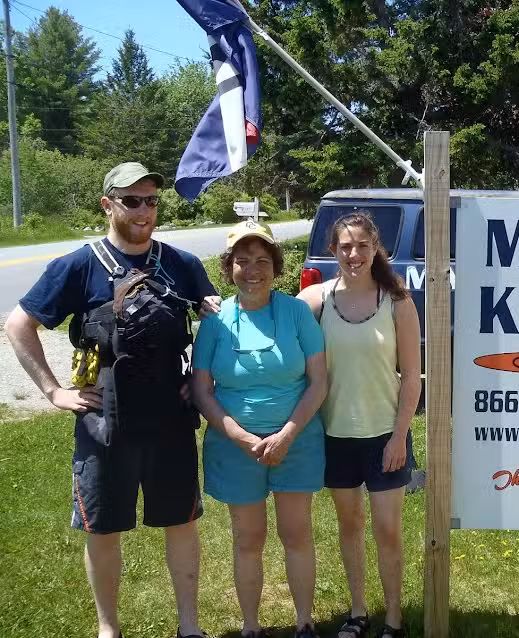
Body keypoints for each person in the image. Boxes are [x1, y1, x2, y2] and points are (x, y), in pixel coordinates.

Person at [4, 161, 219, 638]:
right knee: (102, 528)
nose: (144, 211)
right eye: (132, 201)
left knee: (181, 523)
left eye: (151, 201)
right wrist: (54, 391)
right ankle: (108, 629)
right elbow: (19, 324)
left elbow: (218, 327)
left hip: (170, 421)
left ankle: (189, 626)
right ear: (108, 204)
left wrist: (206, 383)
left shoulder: (181, 264)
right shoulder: (79, 266)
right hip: (105, 422)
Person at [191, 219, 327, 638]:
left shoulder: (297, 312)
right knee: (248, 538)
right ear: (228, 266)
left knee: (297, 532)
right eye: (243, 260)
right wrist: (241, 436)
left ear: (276, 266)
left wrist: (287, 434)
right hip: (235, 448)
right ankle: (251, 627)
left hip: (298, 441)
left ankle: (304, 622)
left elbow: (319, 381)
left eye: (263, 260)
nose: (253, 270)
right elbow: (202, 390)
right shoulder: (214, 321)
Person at [298, 212, 421, 638]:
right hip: (334, 437)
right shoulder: (315, 301)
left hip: (385, 437)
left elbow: (412, 377)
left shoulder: (397, 301)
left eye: (362, 246)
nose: (354, 254)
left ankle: (393, 617)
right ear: (333, 251)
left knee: (387, 530)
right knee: (349, 527)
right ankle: (357, 611)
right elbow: (271, 327)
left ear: (376, 249)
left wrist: (400, 436)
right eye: (345, 247)